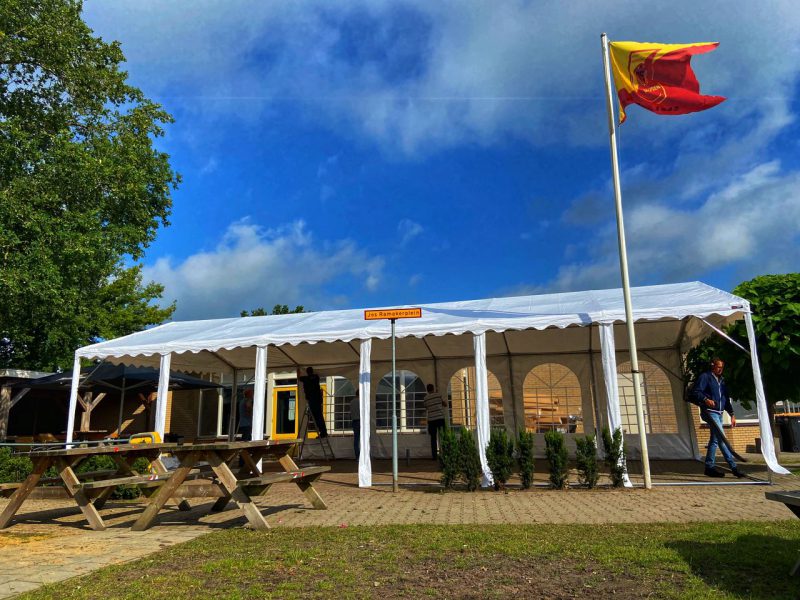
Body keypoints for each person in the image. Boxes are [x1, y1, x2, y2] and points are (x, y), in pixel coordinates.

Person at [691, 358, 744, 478]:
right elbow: (696, 391)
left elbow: (725, 399)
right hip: (709, 412)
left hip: (719, 413)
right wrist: (706, 399)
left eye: (722, 367)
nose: (720, 369)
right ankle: (734, 468)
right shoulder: (706, 377)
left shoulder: (722, 381)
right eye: (718, 367)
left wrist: (732, 414)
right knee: (722, 439)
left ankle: (709, 467)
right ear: (713, 366)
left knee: (714, 440)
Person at [298, 367, 328, 437]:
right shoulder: (316, 377)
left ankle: (323, 432)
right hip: (317, 399)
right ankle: (323, 431)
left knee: (316, 417)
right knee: (319, 416)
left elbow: (299, 378)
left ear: (307, 372)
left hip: (312, 400)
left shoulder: (306, 379)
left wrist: (298, 370)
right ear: (312, 371)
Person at [424, 383, 447, 461]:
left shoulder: (425, 398)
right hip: (440, 418)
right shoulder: (438, 395)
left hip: (431, 420)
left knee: (433, 438)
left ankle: (434, 457)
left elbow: (426, 407)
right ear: (433, 388)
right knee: (443, 436)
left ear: (427, 390)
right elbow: (445, 404)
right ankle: (445, 453)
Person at [350, 390, 361, 459]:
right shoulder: (361, 401)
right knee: (363, 439)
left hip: (354, 421)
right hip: (361, 421)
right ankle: (363, 456)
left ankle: (357, 456)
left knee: (356, 439)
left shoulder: (352, 402)